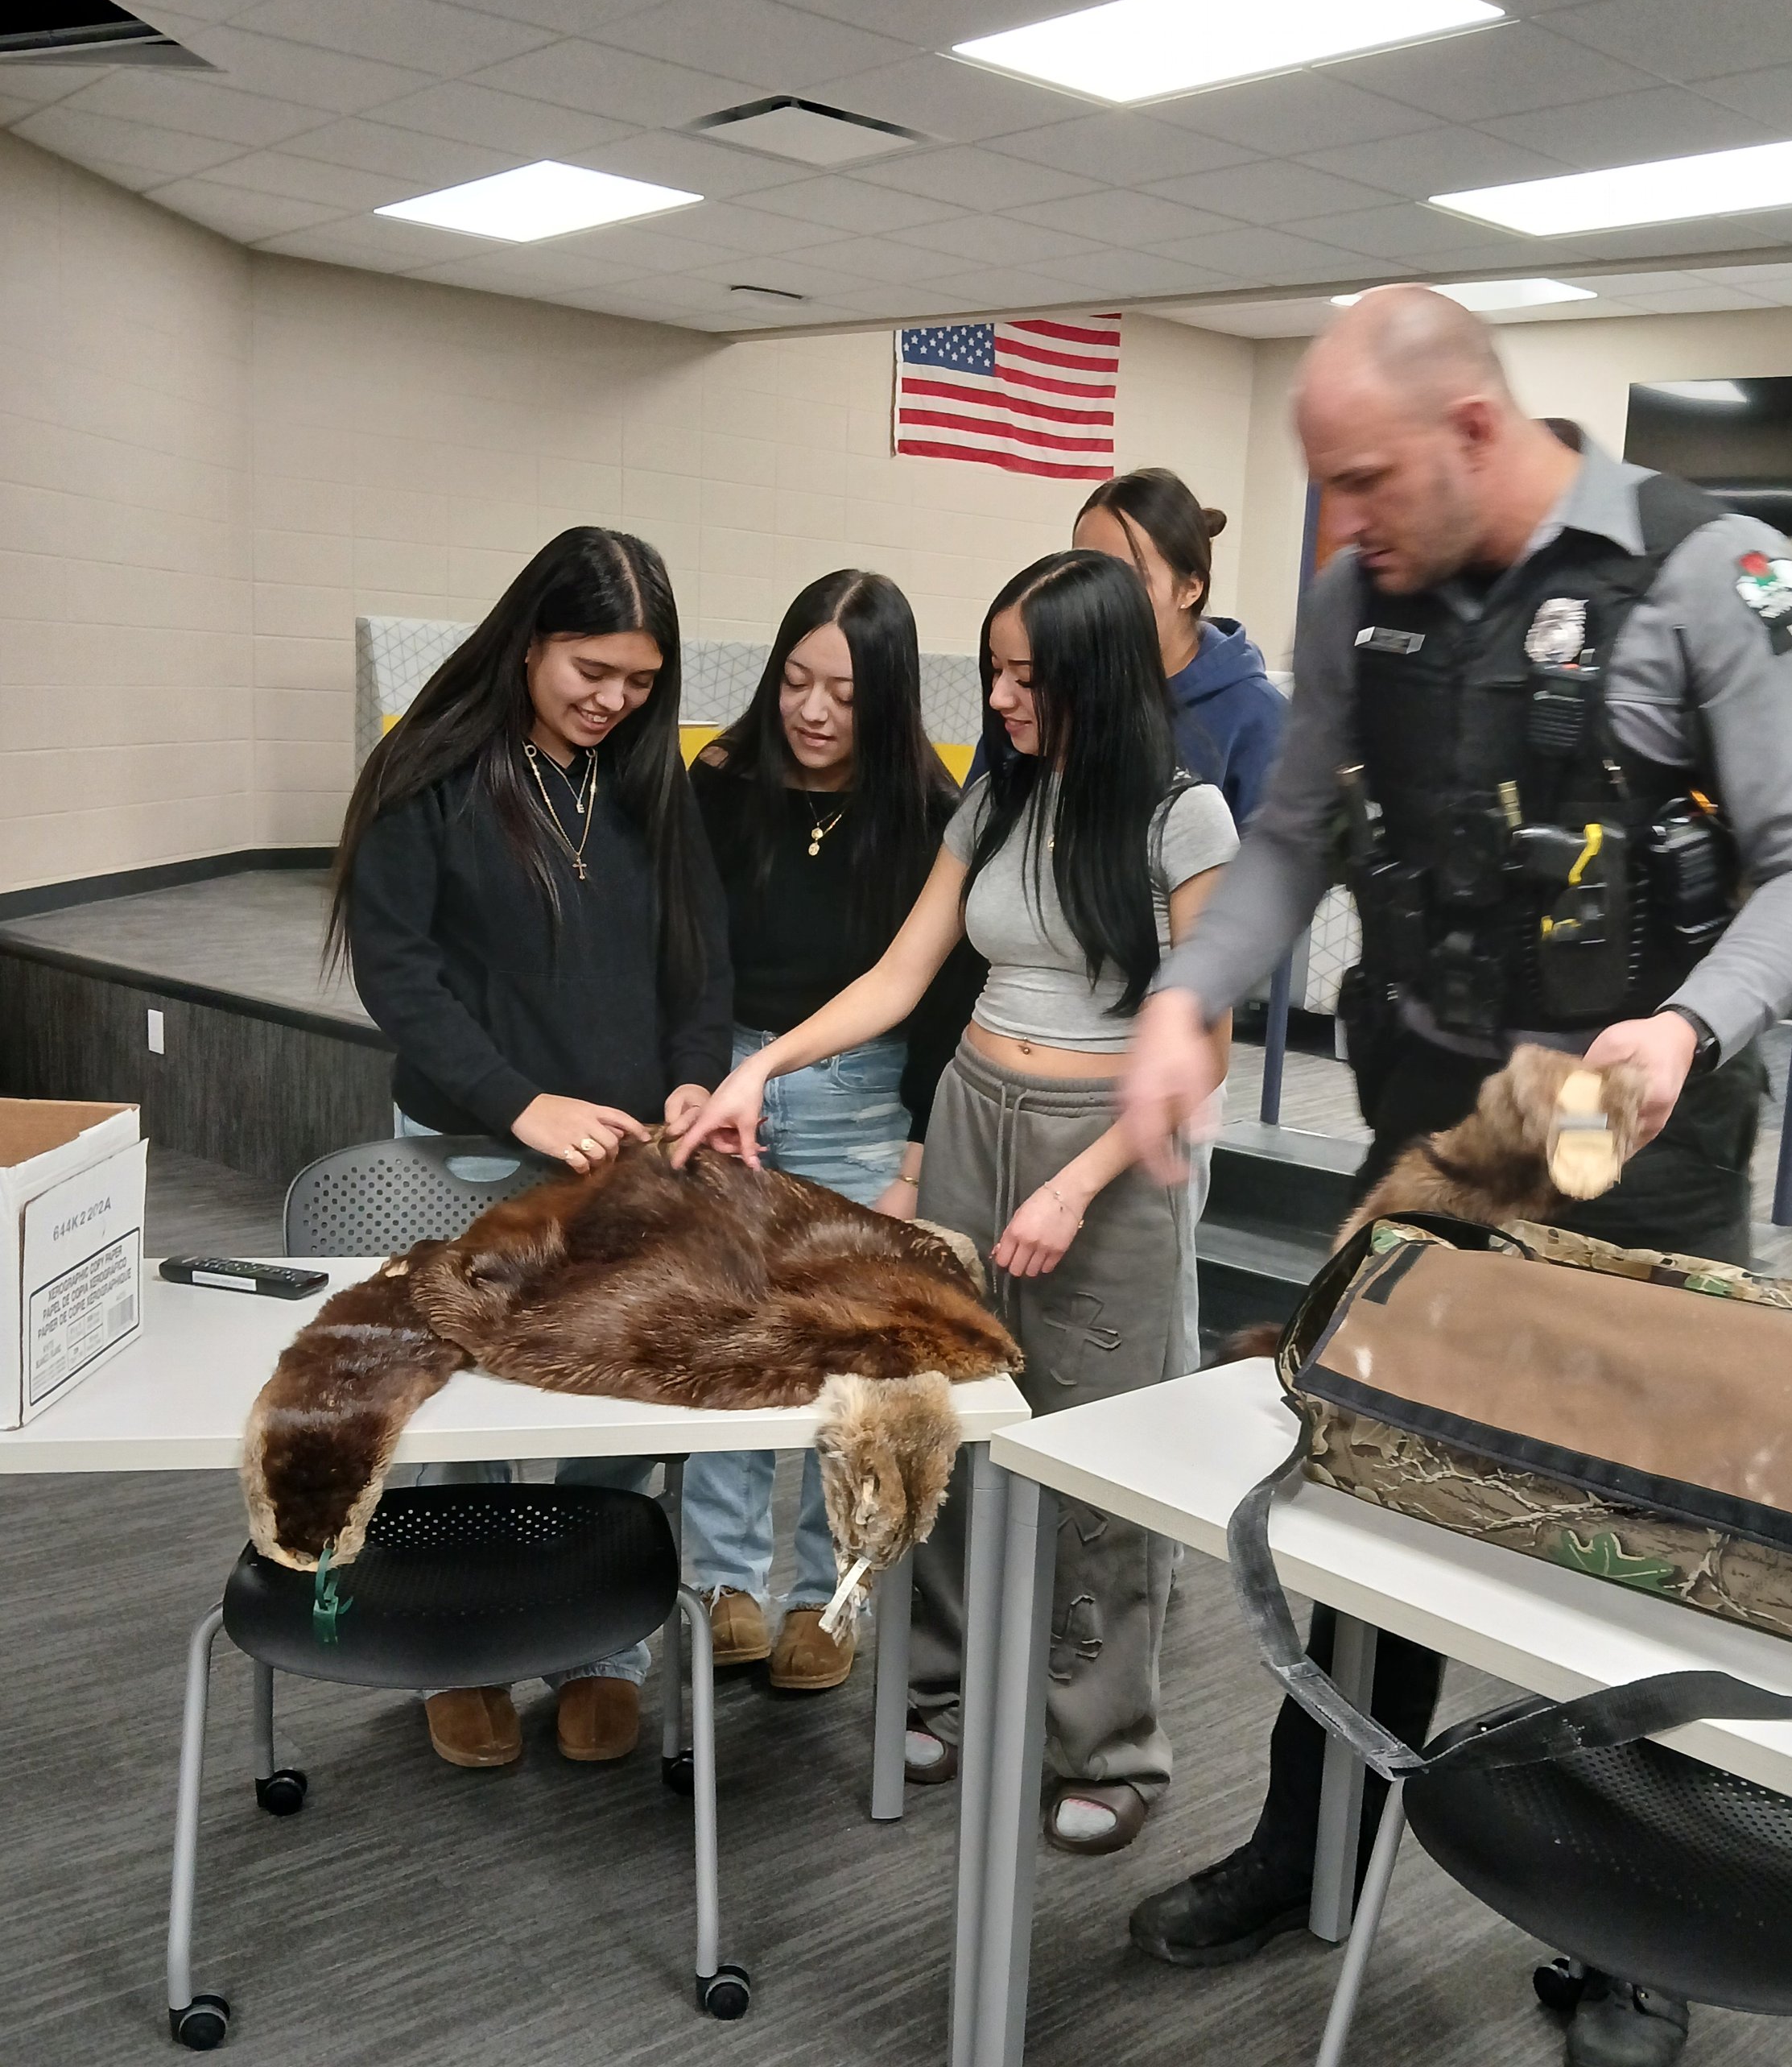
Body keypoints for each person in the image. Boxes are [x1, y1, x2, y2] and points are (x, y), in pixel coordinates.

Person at [1117, 287, 1792, 2067]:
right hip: (1431, 1152)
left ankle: (1630, 1921)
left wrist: (1689, 1023)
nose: (1340, 525)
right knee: (1365, 1510)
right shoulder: (1362, 593)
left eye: (1365, 480)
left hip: (1643, 1152)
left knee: (1633, 1545)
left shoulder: (1711, 572)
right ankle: (1311, 1843)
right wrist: (1183, 993)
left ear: (1473, 429)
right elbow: (1292, 833)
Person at [676, 550, 1239, 1853]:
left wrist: (1080, 1181)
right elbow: (900, 973)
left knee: (1097, 1454)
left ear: (1097, 674)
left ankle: (1106, 1740)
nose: (1000, 698)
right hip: (975, 1111)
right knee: (932, 1417)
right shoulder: (994, 800)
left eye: (1026, 675)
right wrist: (760, 1063)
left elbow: (1200, 1050)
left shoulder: (1183, 821)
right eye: (993, 670)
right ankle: (935, 1684)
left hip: (1108, 1143)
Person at [332, 524, 731, 1773]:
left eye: (640, 679)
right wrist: (519, 1104)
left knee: (624, 1392)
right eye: (590, 670)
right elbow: (399, 976)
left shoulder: (654, 779)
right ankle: (460, 1642)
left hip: (624, 1159)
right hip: (466, 1142)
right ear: (530, 642)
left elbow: (700, 955)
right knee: (455, 1410)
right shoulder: (428, 776)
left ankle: (600, 1645)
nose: (614, 701)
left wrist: (691, 1074)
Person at [683, 569, 982, 1690]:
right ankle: (722, 1580)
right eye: (796, 681)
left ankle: (829, 1594)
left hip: (863, 1093)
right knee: (731, 1344)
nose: (812, 711)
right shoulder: (719, 781)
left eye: (843, 693)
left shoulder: (932, 813)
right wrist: (699, 1079)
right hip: (729, 1083)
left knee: (845, 1363)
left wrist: (911, 1160)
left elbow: (940, 996)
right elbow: (693, 954)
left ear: (890, 696)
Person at [1072, 468, 1286, 825]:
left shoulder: (1258, 718)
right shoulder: (1049, 690)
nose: (1098, 598)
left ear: (1191, 588)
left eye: (1130, 578)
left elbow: (1272, 866)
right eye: (1082, 574)